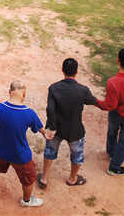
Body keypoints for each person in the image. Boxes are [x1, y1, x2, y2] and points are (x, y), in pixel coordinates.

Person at [0, 81, 47, 208]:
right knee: (29, 179)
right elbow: (41, 130)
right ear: (24, 94)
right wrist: (47, 134)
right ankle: (27, 201)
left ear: (9, 91)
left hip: (1, 151)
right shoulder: (29, 113)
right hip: (20, 156)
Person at [38, 58, 97, 189]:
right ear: (76, 72)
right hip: (75, 130)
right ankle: (72, 179)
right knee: (77, 155)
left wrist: (52, 127)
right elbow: (94, 101)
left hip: (56, 128)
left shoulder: (54, 88)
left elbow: (50, 109)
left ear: (62, 70)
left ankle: (44, 178)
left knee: (50, 152)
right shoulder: (83, 90)